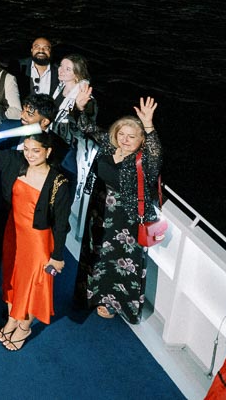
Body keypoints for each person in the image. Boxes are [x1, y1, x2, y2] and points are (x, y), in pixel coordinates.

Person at [0, 128, 74, 349]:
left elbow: (61, 225)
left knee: (32, 285)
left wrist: (56, 257)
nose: (29, 154)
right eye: (26, 149)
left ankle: (24, 328)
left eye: (35, 150)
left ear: (48, 152)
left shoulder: (59, 183)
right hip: (13, 232)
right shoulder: (15, 161)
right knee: (12, 278)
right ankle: (11, 320)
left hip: (38, 241)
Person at [78, 97, 162, 323]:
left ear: (141, 140)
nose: (125, 140)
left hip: (126, 221)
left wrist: (148, 124)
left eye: (132, 137)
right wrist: (81, 107)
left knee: (119, 261)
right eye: (121, 134)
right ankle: (93, 295)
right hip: (100, 211)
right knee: (97, 255)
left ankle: (115, 303)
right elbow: (85, 127)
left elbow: (156, 153)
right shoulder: (109, 145)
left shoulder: (144, 160)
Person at [18, 37, 63, 101]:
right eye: (37, 47)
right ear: (32, 50)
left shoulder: (60, 70)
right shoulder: (19, 67)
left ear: (50, 51)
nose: (41, 50)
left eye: (46, 48)